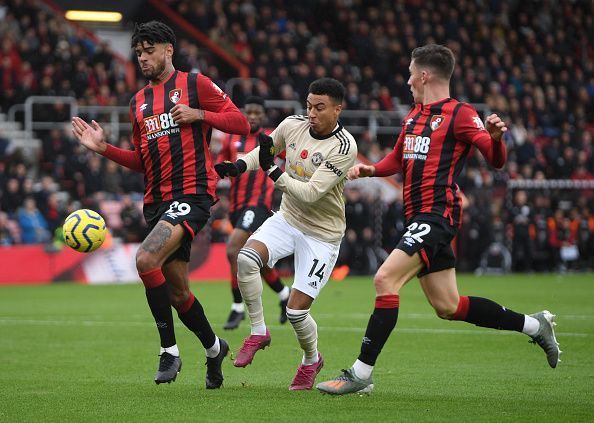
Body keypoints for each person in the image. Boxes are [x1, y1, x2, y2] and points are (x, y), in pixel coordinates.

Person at [316, 44, 561, 396]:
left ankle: (360, 373)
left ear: (424, 75)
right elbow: (398, 160)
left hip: (438, 214)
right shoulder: (414, 116)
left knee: (385, 279)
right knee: (449, 306)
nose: (407, 80)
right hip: (418, 217)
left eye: (411, 73)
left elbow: (495, 159)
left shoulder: (460, 114)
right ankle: (535, 326)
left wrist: (495, 140)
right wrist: (370, 170)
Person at [71, 21, 250, 389]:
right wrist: (104, 149)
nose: (142, 58)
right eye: (138, 52)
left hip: (193, 194)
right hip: (155, 202)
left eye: (149, 50)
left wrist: (200, 114)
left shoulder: (196, 84)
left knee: (145, 259)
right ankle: (215, 348)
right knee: (178, 292)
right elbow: (142, 159)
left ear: (169, 50)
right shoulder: (137, 102)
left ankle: (169, 351)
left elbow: (241, 122)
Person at [215, 77, 357, 390]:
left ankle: (311, 360)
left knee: (295, 312)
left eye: (320, 108)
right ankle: (258, 331)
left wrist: (272, 170)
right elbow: (264, 152)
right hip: (288, 219)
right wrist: (239, 166)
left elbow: (310, 193)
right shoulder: (292, 124)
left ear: (338, 109)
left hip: (322, 235)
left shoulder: (344, 147)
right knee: (246, 258)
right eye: (309, 106)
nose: (312, 113)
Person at [216, 96, 290, 330]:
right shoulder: (231, 138)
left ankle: (238, 307)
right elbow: (221, 166)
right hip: (236, 206)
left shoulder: (271, 139)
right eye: (249, 112)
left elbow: (294, 160)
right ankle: (284, 293)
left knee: (233, 248)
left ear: (263, 115)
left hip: (258, 204)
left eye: (258, 112)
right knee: (257, 260)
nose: (253, 116)